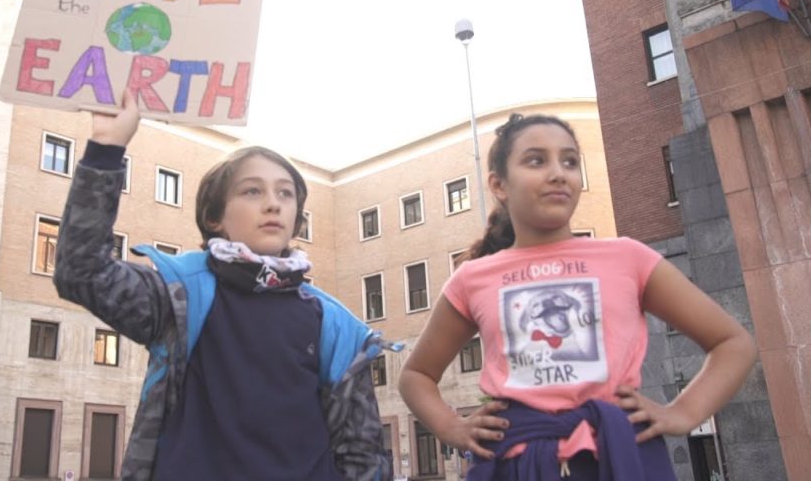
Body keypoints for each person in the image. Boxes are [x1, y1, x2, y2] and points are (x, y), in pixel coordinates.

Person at [53, 89, 399, 481]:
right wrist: (106, 148)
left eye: (285, 193)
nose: (273, 203)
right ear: (215, 216)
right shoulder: (180, 295)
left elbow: (364, 459)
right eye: (252, 190)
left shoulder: (336, 327)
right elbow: (79, 271)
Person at [398, 113, 756, 480]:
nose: (558, 173)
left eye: (569, 161)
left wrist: (683, 412)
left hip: (623, 453)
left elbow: (732, 342)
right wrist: (451, 427)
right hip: (517, 460)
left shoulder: (629, 258)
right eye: (536, 160)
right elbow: (416, 375)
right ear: (499, 184)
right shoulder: (473, 278)